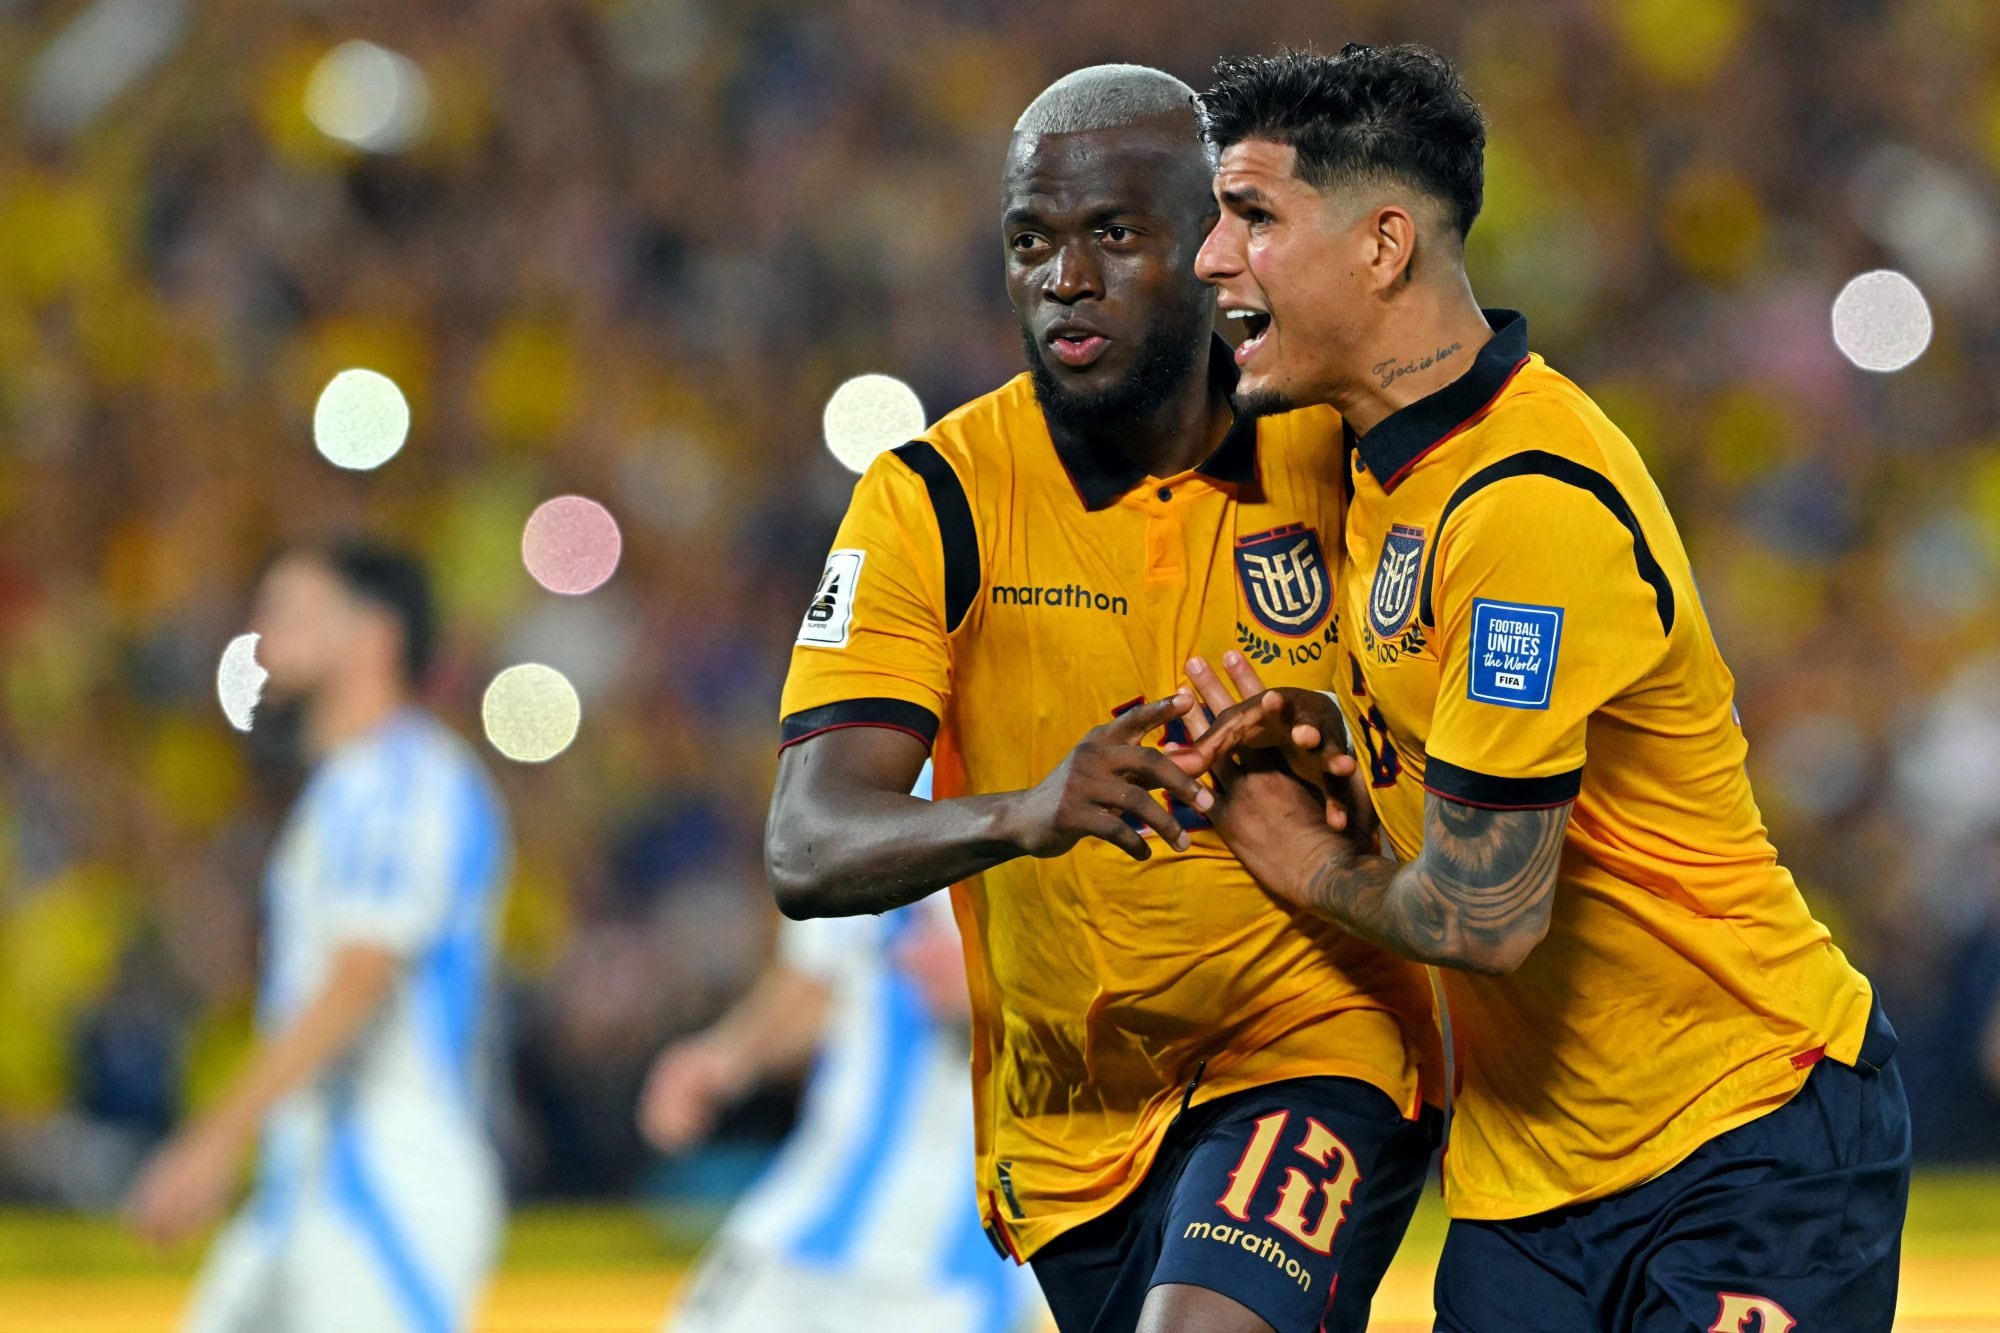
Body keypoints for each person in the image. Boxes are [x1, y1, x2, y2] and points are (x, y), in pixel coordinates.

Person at [1180, 43, 1911, 1332]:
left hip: (1745, 1132)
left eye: (1251, 218)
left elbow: (1485, 917)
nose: (1209, 259)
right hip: (1525, 1182)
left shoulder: (1524, 506)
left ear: (1382, 245)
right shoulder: (1361, 454)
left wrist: (1288, 849)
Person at [765, 64, 1440, 1333]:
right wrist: (1030, 810)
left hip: (1316, 1038)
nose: (1061, 278)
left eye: (1112, 235)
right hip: (1070, 1123)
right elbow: (806, 841)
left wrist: (1358, 747)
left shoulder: (1338, 445)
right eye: (1031, 240)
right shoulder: (936, 497)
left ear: (1210, 249)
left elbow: (1487, 706)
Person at [128, 541, 511, 1333]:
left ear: (375, 637)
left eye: (291, 611)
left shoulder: (403, 778)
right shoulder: (346, 790)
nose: (263, 637)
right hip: (307, 1181)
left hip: (384, 1181)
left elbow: (358, 978)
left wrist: (213, 1139)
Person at [642, 768, 1046, 1333]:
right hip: (802, 1227)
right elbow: (823, 974)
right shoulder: (870, 771)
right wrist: (728, 1055)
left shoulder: (1056, 763)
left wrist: (1003, 988)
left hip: (957, 1267)